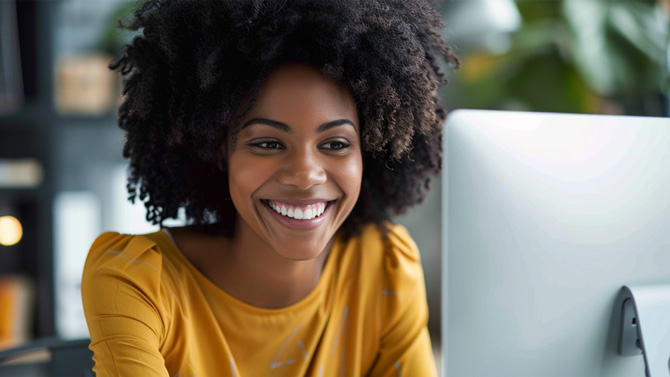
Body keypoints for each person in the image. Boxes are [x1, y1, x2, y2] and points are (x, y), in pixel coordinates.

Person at [81, 0, 459, 376]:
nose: (305, 175)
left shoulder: (383, 266)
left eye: (335, 144)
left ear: (369, 152)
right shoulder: (138, 282)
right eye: (268, 144)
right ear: (217, 151)